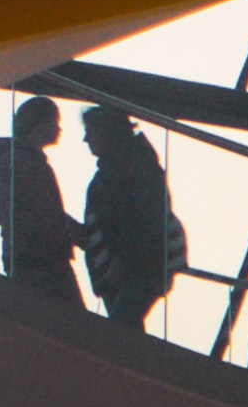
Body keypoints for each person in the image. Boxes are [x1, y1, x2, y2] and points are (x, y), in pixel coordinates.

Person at [77, 102, 188, 334]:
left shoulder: (134, 169)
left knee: (122, 332)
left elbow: (146, 222)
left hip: (138, 268)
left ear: (109, 131)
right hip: (127, 268)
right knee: (127, 334)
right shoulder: (127, 169)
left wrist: (121, 262)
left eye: (91, 131)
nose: (86, 140)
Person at [0, 89, 82, 304]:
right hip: (36, 261)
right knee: (72, 325)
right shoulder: (20, 163)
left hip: (42, 258)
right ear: (40, 124)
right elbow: (5, 207)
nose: (59, 128)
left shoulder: (27, 162)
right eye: (55, 122)